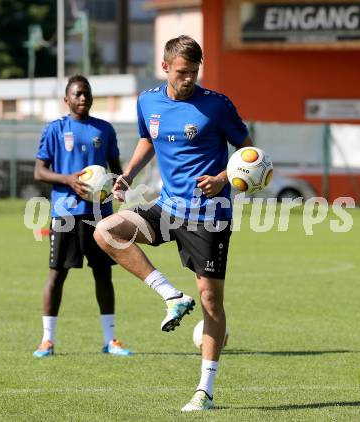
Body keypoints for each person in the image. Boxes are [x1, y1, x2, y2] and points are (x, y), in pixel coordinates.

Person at [94, 35, 252, 411]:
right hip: (167, 208)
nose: (188, 79)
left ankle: (205, 391)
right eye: (182, 72)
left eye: (194, 72)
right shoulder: (148, 100)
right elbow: (149, 139)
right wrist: (129, 175)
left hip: (208, 215)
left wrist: (223, 179)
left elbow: (249, 152)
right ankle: (171, 295)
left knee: (211, 300)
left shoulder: (217, 105)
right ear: (165, 67)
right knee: (106, 232)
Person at [33, 74, 132, 358]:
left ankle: (111, 340)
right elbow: (39, 171)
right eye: (77, 94)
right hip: (65, 213)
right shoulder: (55, 129)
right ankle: (47, 340)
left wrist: (116, 187)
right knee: (57, 275)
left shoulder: (104, 130)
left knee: (103, 275)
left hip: (99, 216)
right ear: (66, 99)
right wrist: (68, 180)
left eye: (86, 93)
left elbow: (116, 169)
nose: (82, 98)